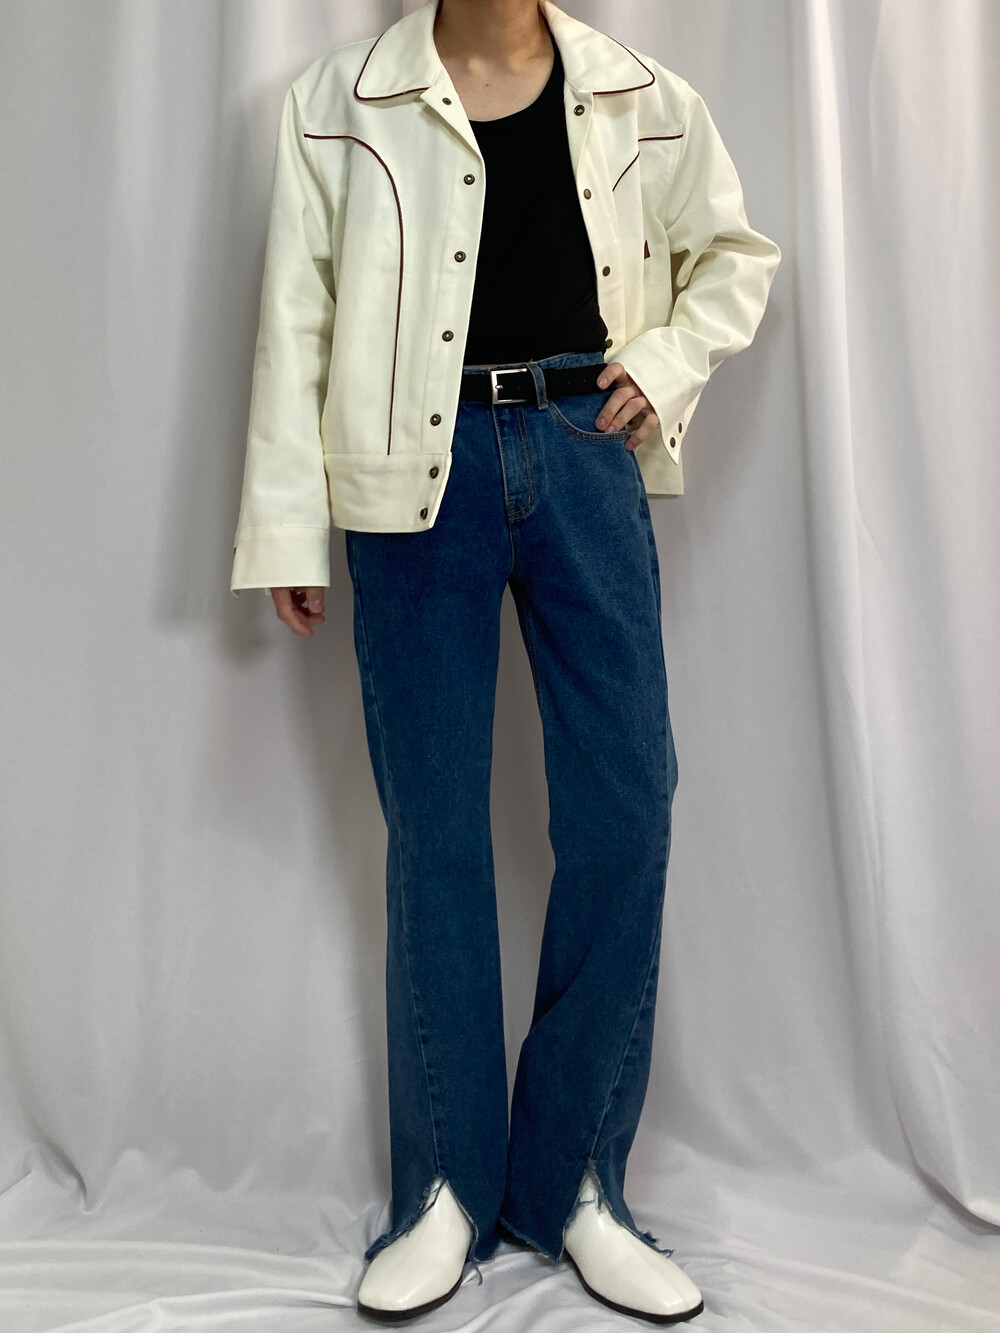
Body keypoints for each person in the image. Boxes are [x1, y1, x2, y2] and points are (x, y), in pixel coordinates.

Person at [230, 0, 780, 1322]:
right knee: (435, 830)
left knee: (626, 808)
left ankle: (576, 1182)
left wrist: (667, 361)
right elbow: (297, 318)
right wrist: (290, 522)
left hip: (588, 449)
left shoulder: (640, 93)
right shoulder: (337, 103)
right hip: (411, 483)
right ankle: (445, 1191)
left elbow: (734, 255)